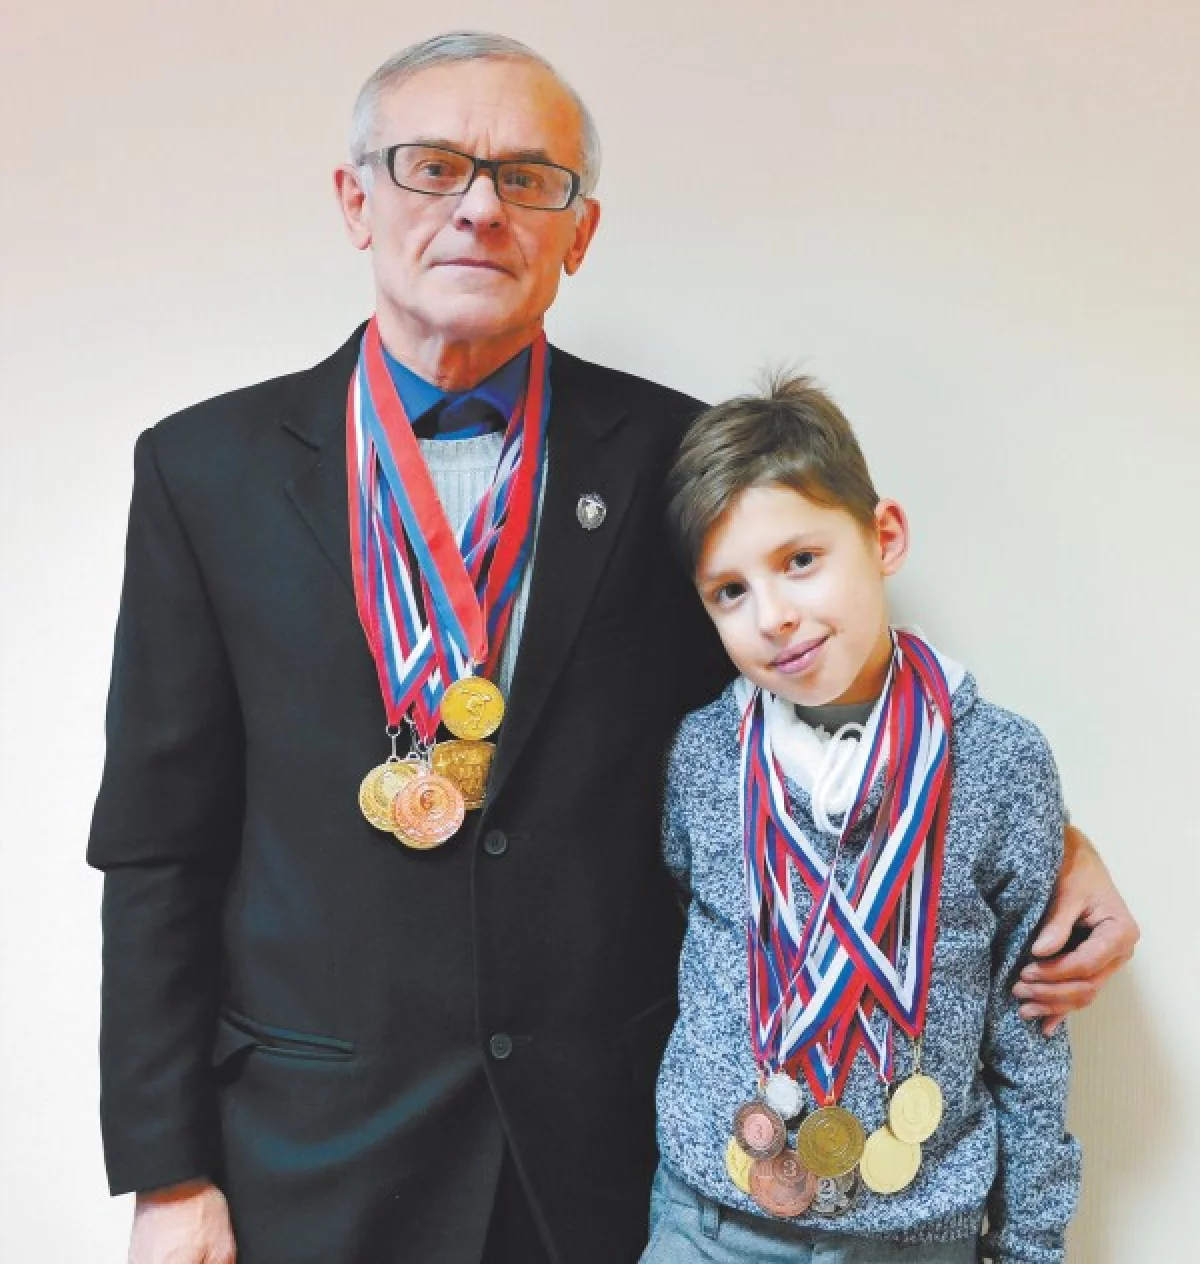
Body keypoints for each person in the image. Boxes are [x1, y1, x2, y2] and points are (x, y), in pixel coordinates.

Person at [87, 30, 1131, 1264]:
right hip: (314, 1152)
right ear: (355, 201)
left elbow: (811, 699)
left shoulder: (675, 458)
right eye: (433, 166)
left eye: (528, 178)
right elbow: (159, 845)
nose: (480, 207)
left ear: (578, 231)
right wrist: (168, 1172)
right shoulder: (203, 471)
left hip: (605, 1159)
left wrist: (1054, 848)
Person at [646, 376, 1081, 1262]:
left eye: (801, 559)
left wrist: (1032, 1244)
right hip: (707, 1223)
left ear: (884, 537)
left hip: (914, 1236)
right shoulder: (703, 754)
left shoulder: (1000, 762)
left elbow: (1029, 1027)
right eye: (729, 591)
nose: (774, 616)